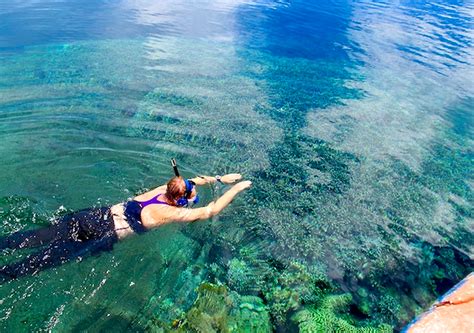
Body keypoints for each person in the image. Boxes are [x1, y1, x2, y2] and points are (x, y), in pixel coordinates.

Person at [0, 172, 252, 283]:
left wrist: (219, 178)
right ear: (180, 198)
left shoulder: (160, 192)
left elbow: (191, 181)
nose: (194, 190)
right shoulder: (168, 213)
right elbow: (211, 210)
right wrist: (236, 188)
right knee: (40, 262)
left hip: (94, 216)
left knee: (29, 238)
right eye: (191, 193)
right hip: (101, 235)